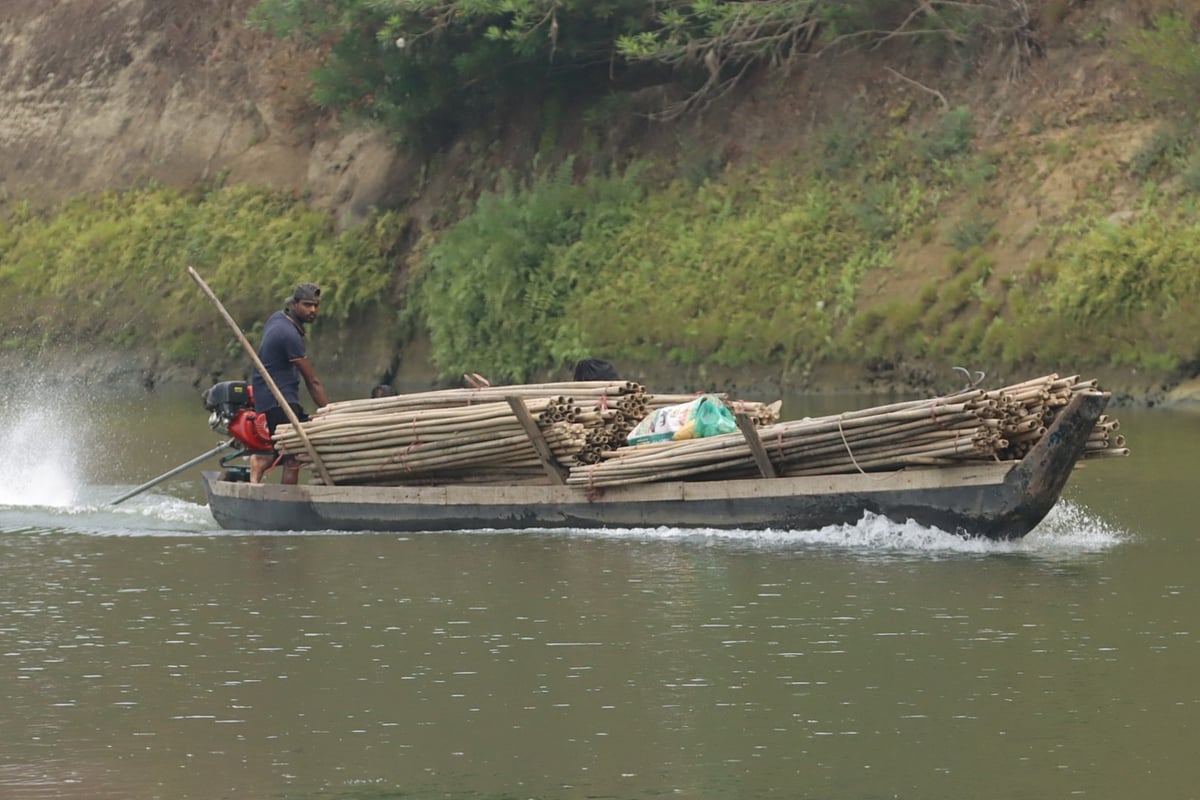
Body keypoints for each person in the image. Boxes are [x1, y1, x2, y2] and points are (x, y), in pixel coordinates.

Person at [249, 282, 329, 485]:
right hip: (277, 398)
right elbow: (313, 381)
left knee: (291, 448)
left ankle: (263, 459)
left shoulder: (279, 318)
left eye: (316, 305)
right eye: (307, 305)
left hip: (279, 395)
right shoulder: (289, 335)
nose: (313, 310)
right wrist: (329, 413)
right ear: (294, 304)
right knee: (294, 455)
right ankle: (287, 498)